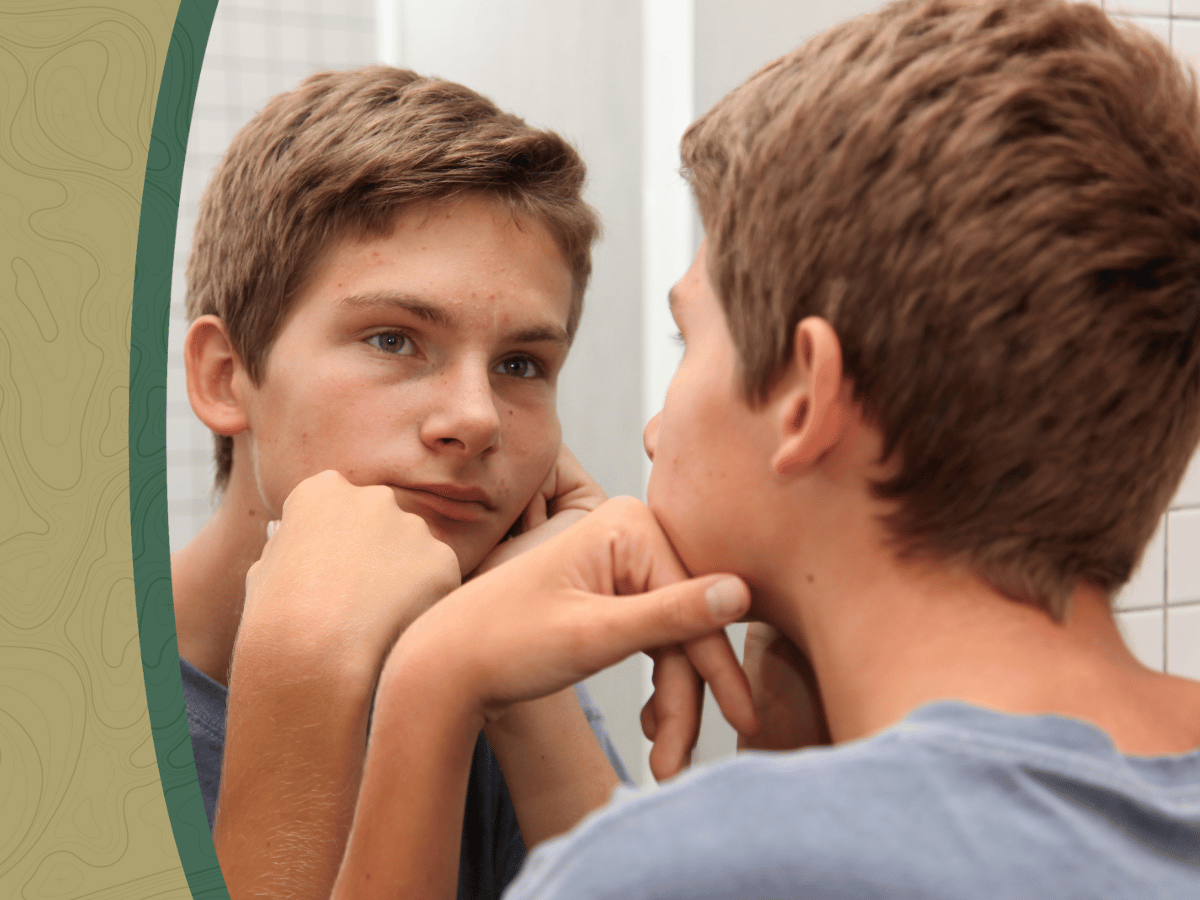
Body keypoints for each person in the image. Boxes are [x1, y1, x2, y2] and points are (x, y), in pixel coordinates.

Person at [247, 0, 1200, 896]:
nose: (653, 428)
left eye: (686, 340)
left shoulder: (693, 867)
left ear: (805, 402)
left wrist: (434, 681)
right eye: (392, 342)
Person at [169, 64, 689, 900]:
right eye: (393, 340)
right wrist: (305, 682)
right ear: (227, 378)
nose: (477, 417)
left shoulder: (471, 662)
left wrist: (524, 688)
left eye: (522, 363)